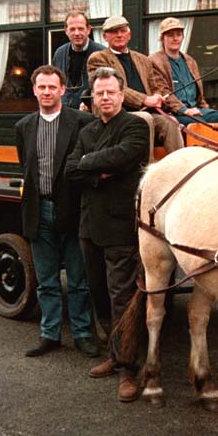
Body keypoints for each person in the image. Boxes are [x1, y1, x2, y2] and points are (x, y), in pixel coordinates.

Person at [64, 67, 149, 402]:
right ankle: (113, 356)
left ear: (121, 93)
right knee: (98, 293)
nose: (105, 98)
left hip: (119, 227)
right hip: (89, 227)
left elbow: (125, 157)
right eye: (99, 94)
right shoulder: (88, 130)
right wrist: (99, 173)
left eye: (111, 92)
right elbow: (71, 170)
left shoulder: (135, 126)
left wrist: (88, 164)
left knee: (123, 298)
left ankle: (129, 368)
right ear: (94, 97)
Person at [16, 65, 98, 358]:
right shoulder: (23, 127)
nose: (47, 92)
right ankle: (49, 334)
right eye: (42, 87)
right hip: (39, 212)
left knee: (78, 280)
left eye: (53, 87)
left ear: (63, 90)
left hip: (73, 210)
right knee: (47, 280)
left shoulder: (82, 122)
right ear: (34, 90)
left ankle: (82, 334)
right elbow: (27, 170)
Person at [86, 15, 184, 161]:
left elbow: (154, 86)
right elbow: (114, 88)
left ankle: (180, 168)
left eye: (122, 31)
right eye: (114, 32)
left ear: (129, 34)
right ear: (105, 36)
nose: (119, 35)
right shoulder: (98, 58)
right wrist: (145, 100)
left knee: (171, 122)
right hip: (116, 114)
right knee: (145, 119)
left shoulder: (143, 59)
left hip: (147, 112)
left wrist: (157, 97)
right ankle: (145, 173)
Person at [149, 17, 218, 127]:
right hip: (174, 112)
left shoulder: (190, 61)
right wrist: (184, 110)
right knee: (199, 125)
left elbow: (199, 94)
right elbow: (162, 92)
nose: (175, 38)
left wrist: (205, 108)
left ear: (183, 37)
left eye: (178, 34)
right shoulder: (154, 61)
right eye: (170, 35)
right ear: (162, 38)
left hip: (197, 110)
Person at [52, 12, 106, 109]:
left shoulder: (102, 53)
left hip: (91, 113)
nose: (77, 33)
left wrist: (90, 103)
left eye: (81, 29)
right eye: (72, 29)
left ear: (88, 30)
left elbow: (107, 86)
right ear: (66, 31)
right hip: (64, 112)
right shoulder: (59, 53)